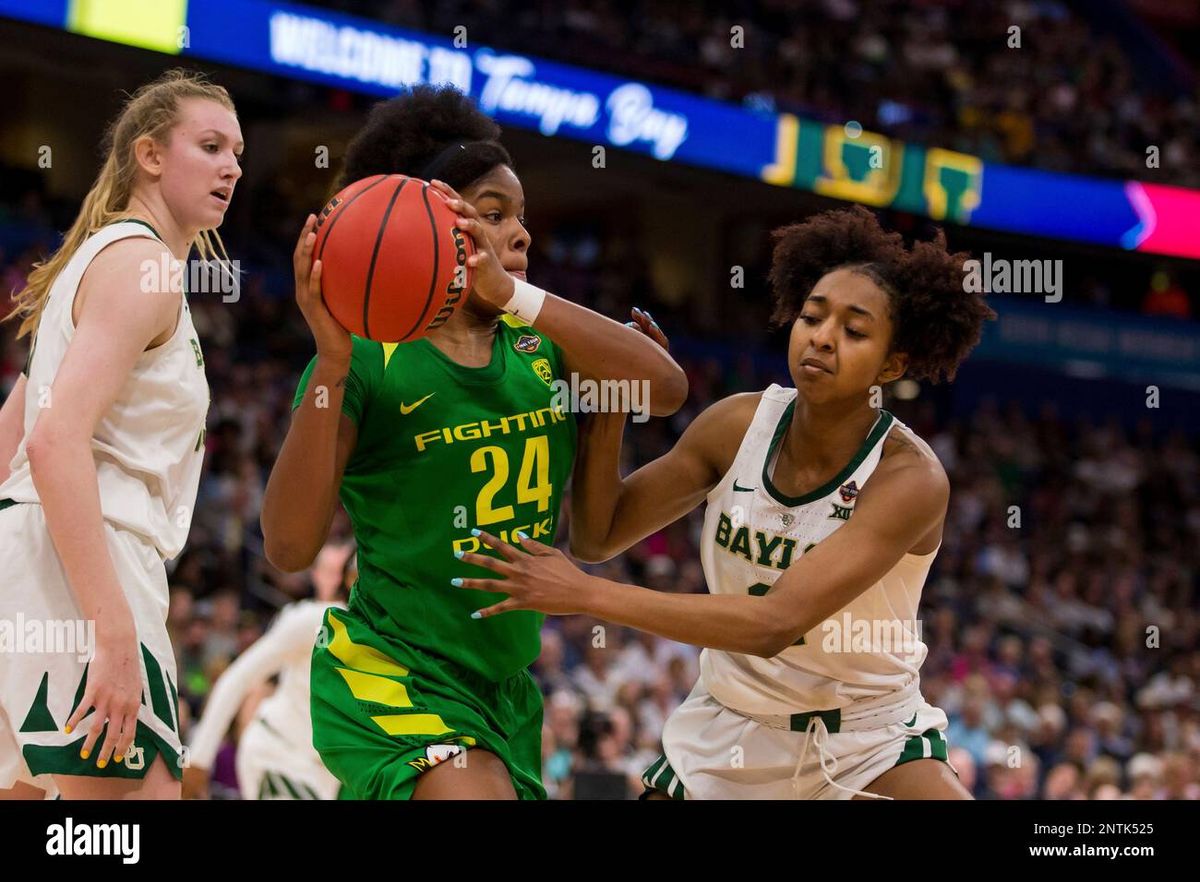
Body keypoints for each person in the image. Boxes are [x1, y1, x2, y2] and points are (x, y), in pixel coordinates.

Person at [456, 206, 995, 800]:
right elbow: (598, 535)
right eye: (812, 317)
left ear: (893, 364)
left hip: (868, 738)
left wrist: (586, 594)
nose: (821, 336)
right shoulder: (737, 424)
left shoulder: (909, 478)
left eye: (854, 330)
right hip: (730, 728)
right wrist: (610, 400)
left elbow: (775, 623)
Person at [260, 84, 686, 800]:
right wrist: (330, 362)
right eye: (493, 214)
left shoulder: (540, 341)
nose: (521, 234)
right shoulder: (368, 357)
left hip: (506, 687)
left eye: (521, 216)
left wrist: (598, 406)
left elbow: (664, 389)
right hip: (391, 669)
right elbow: (288, 549)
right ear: (429, 225)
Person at [0, 69, 241, 800]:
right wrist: (111, 631)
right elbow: (50, 442)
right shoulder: (143, 267)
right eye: (210, 145)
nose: (231, 167)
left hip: (27, 565)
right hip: (87, 561)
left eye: (237, 153)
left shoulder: (92, 262)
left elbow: (11, 437)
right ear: (150, 155)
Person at [183, 544, 352, 800]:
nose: (336, 577)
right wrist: (199, 758)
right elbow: (240, 675)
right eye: (330, 570)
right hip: (280, 753)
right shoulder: (313, 618)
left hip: (323, 775)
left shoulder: (374, 633)